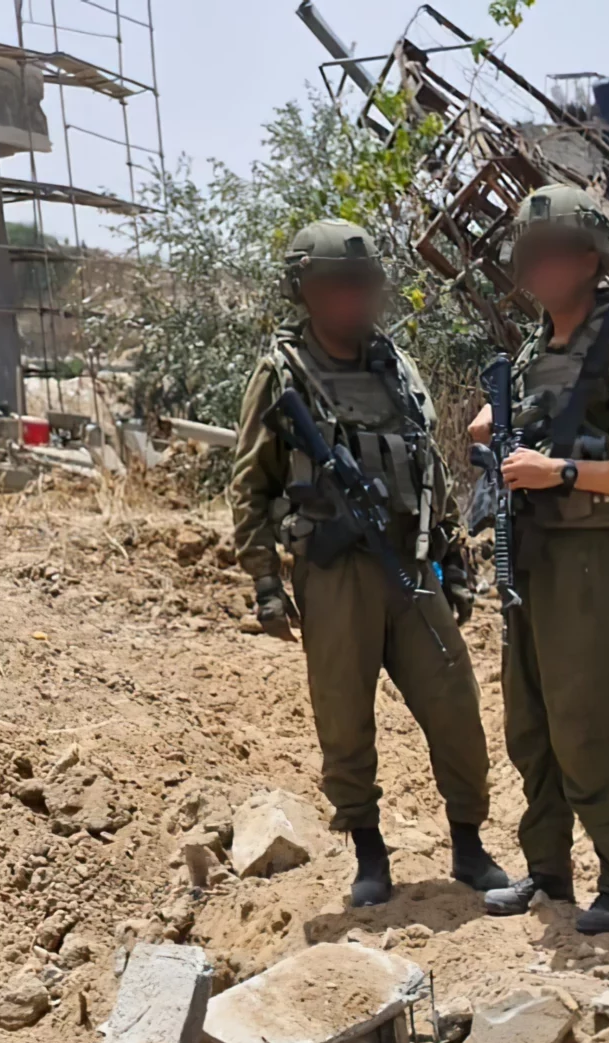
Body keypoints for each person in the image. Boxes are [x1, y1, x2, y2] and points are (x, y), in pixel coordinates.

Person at [229, 218, 509, 907]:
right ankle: (369, 852)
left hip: (410, 565)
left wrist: (455, 554)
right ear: (306, 292)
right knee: (344, 721)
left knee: (455, 706)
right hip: (334, 570)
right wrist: (267, 581)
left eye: (362, 286)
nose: (353, 300)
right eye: (337, 288)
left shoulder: (395, 365)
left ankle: (470, 846)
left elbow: (429, 466)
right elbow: (250, 483)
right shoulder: (283, 375)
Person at [469, 186, 609, 936]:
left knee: (585, 724)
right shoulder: (535, 351)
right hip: (527, 551)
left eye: (553, 250)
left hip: (587, 561)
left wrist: (558, 472)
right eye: (529, 252)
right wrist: (497, 435)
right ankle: (547, 872)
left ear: (590, 261)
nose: (537, 266)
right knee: (530, 722)